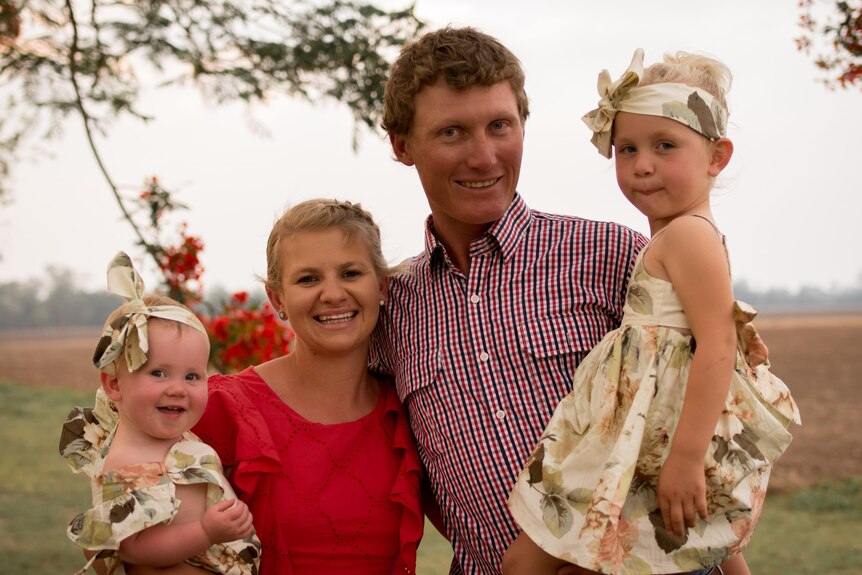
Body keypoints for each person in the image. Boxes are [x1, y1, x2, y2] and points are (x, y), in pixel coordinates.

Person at [504, 49, 801, 575]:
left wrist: (686, 459)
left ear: (717, 157)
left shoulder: (688, 234)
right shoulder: (675, 231)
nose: (642, 164)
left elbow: (717, 344)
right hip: (638, 423)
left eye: (665, 146)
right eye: (627, 149)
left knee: (533, 559)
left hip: (657, 433)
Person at [371, 26, 646, 574]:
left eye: (500, 125)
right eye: (452, 133)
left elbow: (707, 420)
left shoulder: (614, 256)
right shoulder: (389, 311)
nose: (484, 156)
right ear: (402, 145)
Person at [192, 199, 424, 575]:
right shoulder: (222, 409)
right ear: (277, 298)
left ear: (381, 284)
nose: (332, 294)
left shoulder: (408, 412)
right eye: (308, 279)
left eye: (350, 273)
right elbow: (148, 551)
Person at [59, 251, 261, 575]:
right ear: (114, 386)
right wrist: (207, 532)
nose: (178, 388)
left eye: (192, 376)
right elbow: (137, 548)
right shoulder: (129, 462)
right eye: (158, 373)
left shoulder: (169, 439)